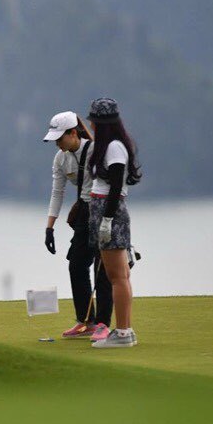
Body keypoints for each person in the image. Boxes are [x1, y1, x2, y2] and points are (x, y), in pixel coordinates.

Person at [42, 110, 112, 338]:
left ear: (73, 133)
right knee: (77, 265)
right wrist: (49, 227)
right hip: (83, 213)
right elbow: (57, 192)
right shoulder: (60, 158)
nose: (57, 144)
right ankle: (85, 321)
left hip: (101, 211)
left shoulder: (95, 151)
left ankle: (103, 323)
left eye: (60, 138)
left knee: (102, 269)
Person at [86, 97, 142, 348]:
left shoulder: (114, 147)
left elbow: (116, 185)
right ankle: (125, 331)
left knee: (117, 275)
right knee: (119, 274)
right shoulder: (108, 144)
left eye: (95, 122)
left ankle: (122, 333)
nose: (92, 125)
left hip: (110, 210)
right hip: (104, 209)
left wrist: (107, 220)